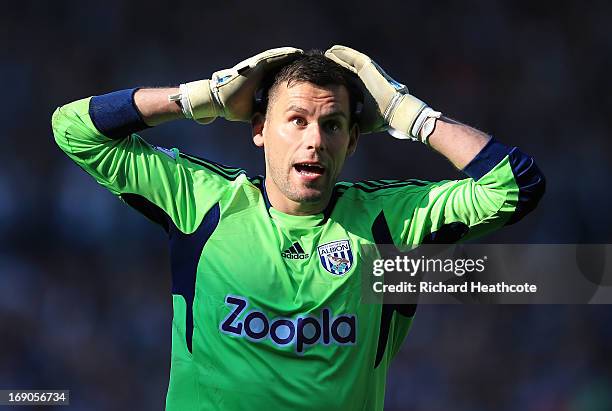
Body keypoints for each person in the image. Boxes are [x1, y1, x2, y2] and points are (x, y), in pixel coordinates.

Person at [51, 46, 545, 410]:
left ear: (352, 141)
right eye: (297, 120)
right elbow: (74, 129)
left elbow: (516, 186)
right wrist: (199, 97)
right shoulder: (204, 199)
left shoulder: (390, 223)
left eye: (332, 125)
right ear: (260, 129)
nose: (314, 140)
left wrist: (407, 115)